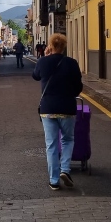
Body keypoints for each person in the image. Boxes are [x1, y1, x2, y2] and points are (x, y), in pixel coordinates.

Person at [32, 33, 82, 190]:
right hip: (67, 107)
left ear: (50, 46)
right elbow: (78, 87)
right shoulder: (72, 63)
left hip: (48, 109)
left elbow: (35, 76)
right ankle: (65, 170)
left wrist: (44, 57)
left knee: (51, 145)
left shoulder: (43, 62)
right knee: (67, 139)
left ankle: (54, 181)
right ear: (64, 47)